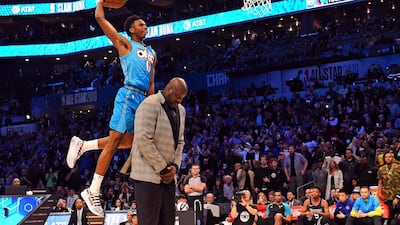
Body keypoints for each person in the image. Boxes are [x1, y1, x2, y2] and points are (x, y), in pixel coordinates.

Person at [67, 0, 156, 216]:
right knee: (115, 140)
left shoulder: (153, 52)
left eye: (146, 25)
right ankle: (93, 189)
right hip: (128, 95)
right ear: (132, 29)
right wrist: (100, 2)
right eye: (141, 25)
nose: (145, 27)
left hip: (142, 99)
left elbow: (152, 83)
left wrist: (151, 106)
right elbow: (100, 18)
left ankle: (84, 145)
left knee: (130, 141)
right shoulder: (124, 43)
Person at [130, 77, 187, 225]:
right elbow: (143, 140)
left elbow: (180, 141)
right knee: (149, 222)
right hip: (147, 176)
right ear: (169, 90)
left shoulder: (181, 110)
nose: (180, 100)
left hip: (168, 177)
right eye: (178, 96)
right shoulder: (149, 104)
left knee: (168, 221)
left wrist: (174, 167)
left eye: (182, 97)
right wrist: (163, 169)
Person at [377, 152, 400, 221]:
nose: (388, 158)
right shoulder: (381, 169)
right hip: (387, 195)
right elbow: (380, 182)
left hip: (398, 193)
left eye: (389, 157)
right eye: (386, 157)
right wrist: (379, 193)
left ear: (392, 158)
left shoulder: (398, 167)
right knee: (390, 213)